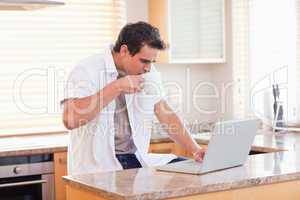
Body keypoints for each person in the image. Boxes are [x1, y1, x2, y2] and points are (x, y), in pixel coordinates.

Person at [61, 21, 205, 175]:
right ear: (124, 50)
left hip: (135, 159)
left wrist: (195, 149)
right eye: (144, 61)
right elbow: (70, 119)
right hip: (98, 167)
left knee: (193, 172)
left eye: (152, 62)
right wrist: (117, 86)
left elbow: (165, 114)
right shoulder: (87, 69)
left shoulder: (147, 72)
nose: (148, 68)